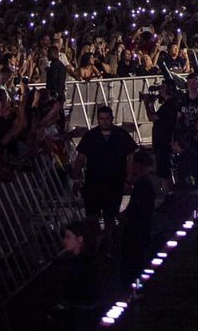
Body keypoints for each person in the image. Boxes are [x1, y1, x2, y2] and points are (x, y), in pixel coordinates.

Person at [72, 106, 138, 229]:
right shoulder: (91, 136)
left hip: (114, 183)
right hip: (93, 184)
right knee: (92, 219)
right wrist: (76, 179)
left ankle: (110, 245)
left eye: (107, 118)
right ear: (98, 119)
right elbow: (80, 158)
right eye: (101, 118)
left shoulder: (121, 135)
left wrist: (129, 180)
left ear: (112, 119)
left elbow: (131, 157)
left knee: (110, 218)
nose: (104, 121)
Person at [119, 149, 154, 286]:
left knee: (133, 262)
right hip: (141, 229)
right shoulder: (143, 185)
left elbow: (136, 209)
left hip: (136, 231)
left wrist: (125, 216)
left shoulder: (142, 186)